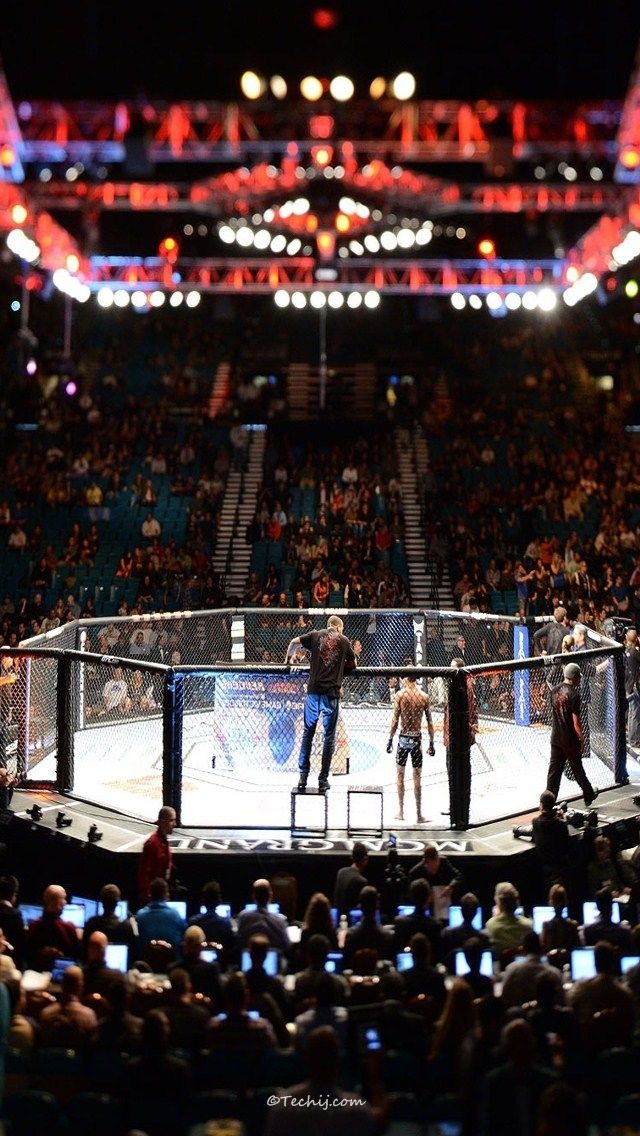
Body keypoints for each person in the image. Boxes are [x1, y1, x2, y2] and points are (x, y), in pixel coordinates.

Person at [285, 614, 358, 793]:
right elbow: (353, 663)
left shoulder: (316, 634)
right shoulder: (344, 640)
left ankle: (303, 776)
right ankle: (323, 779)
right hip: (331, 695)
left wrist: (287, 660)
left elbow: (294, 643)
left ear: (328, 625)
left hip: (313, 693)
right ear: (339, 627)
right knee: (329, 737)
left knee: (308, 734)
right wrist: (340, 671)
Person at [547, 662, 598, 807]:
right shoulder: (574, 695)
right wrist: (581, 740)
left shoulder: (555, 690)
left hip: (556, 737)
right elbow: (576, 723)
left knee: (554, 772)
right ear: (574, 678)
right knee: (577, 769)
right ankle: (588, 795)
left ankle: (549, 801)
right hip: (569, 739)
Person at [386, 672, 435, 823]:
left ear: (405, 678)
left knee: (400, 775)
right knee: (417, 777)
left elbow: (395, 720)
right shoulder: (423, 696)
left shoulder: (400, 695)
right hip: (416, 738)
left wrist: (390, 739)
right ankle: (419, 814)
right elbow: (430, 722)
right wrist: (431, 742)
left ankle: (401, 812)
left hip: (403, 737)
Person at [236, 878, 291, 952]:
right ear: (270, 896)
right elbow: (287, 945)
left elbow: (238, 942)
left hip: (248, 960)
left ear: (253, 896)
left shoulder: (243, 917)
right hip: (274, 962)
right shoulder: (280, 920)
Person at [531, 790, 571, 889]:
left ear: (541, 805)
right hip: (563, 868)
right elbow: (567, 843)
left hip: (547, 869)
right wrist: (562, 819)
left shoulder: (536, 822)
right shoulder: (561, 824)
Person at [137, 805, 176, 905]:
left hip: (162, 896)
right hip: (153, 899)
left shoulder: (164, 841)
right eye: (172, 820)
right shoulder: (152, 844)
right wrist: (148, 898)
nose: (174, 824)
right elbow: (144, 874)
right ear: (163, 822)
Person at [333, 841, 369, 915]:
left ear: (352, 857)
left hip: (338, 915)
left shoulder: (341, 872)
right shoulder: (362, 881)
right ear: (365, 859)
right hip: (351, 918)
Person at [624, 627, 640, 755]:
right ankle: (634, 740)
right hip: (633, 686)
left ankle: (631, 737)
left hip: (627, 685)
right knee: (635, 713)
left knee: (631, 713)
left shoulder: (625, 651)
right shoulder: (635, 652)